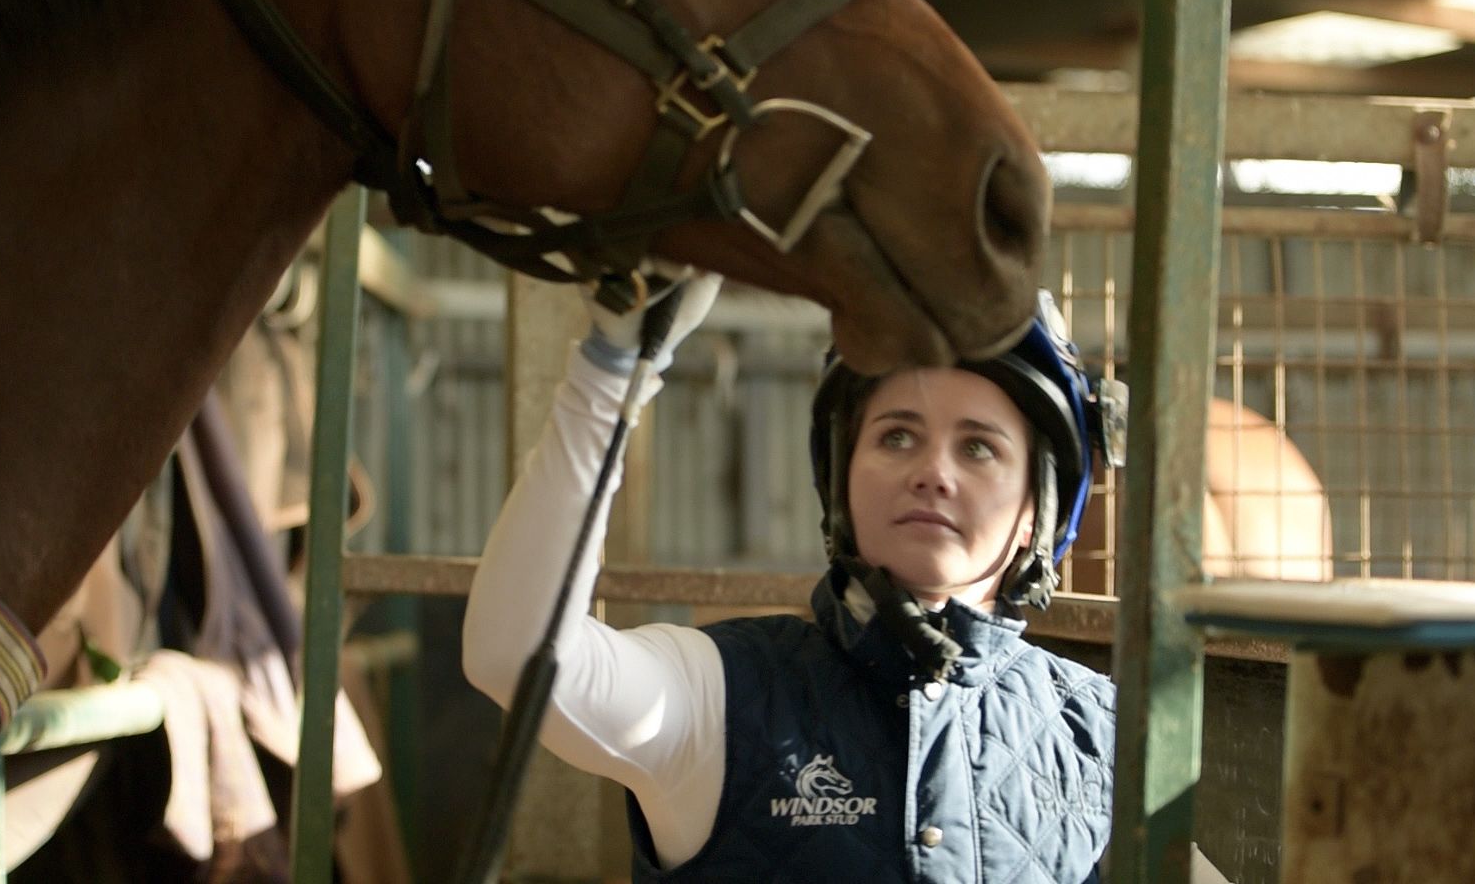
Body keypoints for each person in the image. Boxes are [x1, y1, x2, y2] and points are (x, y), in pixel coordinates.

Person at [463, 277, 1155, 883]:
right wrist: (611, 371)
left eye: (979, 447)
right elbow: (518, 657)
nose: (933, 471)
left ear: (1038, 512)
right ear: (841, 484)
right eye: (896, 436)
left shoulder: (1099, 728)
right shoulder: (723, 695)